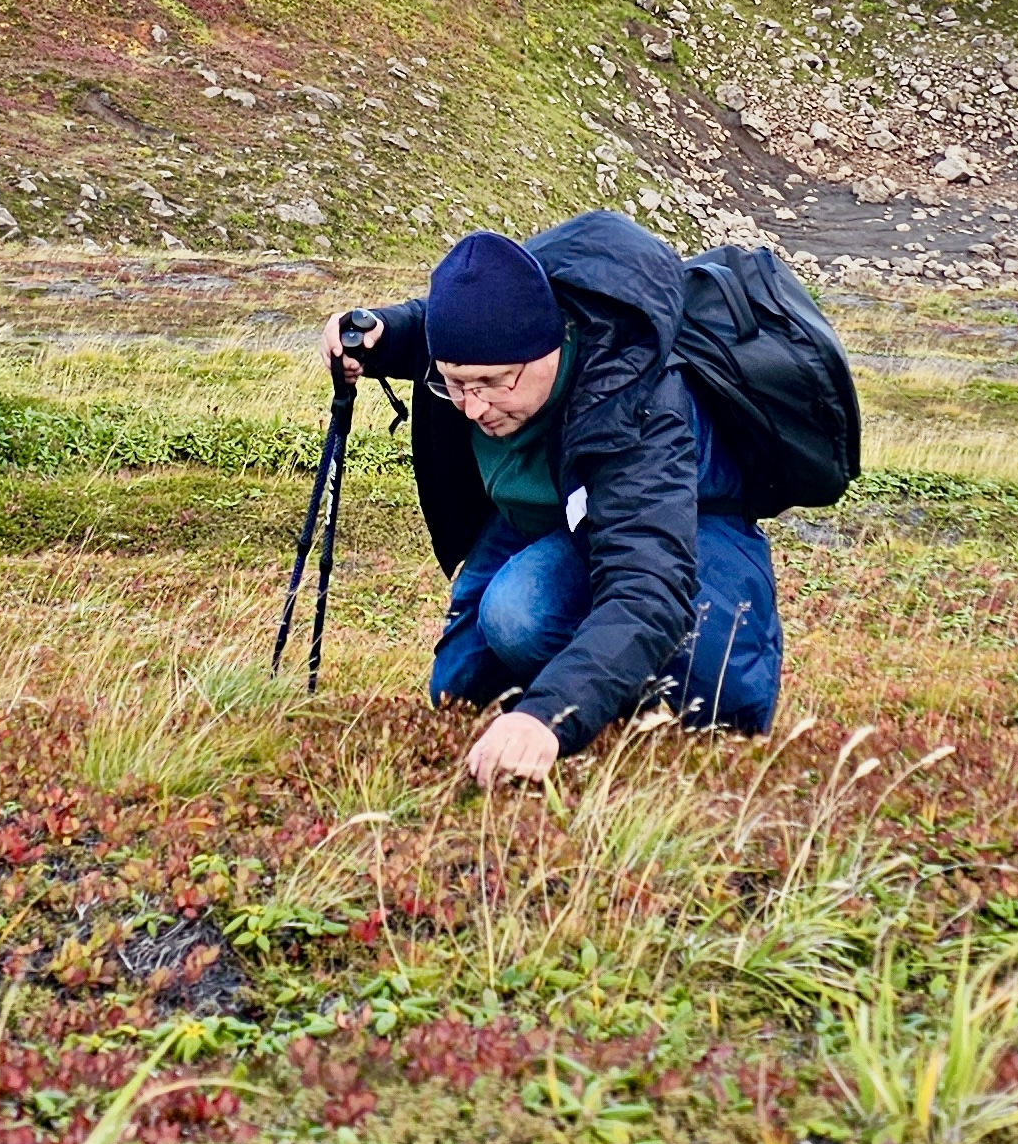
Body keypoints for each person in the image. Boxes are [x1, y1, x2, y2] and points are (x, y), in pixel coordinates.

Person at [326, 213, 781, 788]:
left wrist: (549, 717)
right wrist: (383, 334)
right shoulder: (493, 344)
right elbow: (441, 332)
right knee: (457, 692)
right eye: (453, 384)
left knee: (518, 615)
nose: (471, 407)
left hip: (666, 525)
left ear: (551, 347)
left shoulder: (637, 400)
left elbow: (648, 589)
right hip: (551, 509)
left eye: (492, 385)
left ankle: (626, 704)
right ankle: (589, 680)